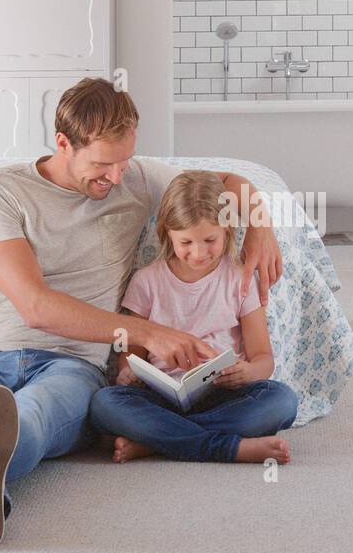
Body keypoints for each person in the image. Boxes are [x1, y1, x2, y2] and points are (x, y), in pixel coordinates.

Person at [0, 77, 283, 550]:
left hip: (72, 363)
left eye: (124, 162)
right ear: (63, 143)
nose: (117, 177)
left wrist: (261, 226)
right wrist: (149, 333)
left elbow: (223, 186)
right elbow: (35, 307)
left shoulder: (136, 178)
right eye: (103, 164)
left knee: (28, 416)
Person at [90, 170, 298, 464]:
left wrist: (249, 373)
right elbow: (130, 353)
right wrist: (128, 372)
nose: (199, 253)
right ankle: (227, 447)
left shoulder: (239, 278)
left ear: (227, 229)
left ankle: (158, 442)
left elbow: (263, 357)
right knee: (104, 404)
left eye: (209, 240)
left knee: (282, 401)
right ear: (167, 234)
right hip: (160, 396)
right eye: (186, 243)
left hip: (223, 395)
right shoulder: (147, 281)